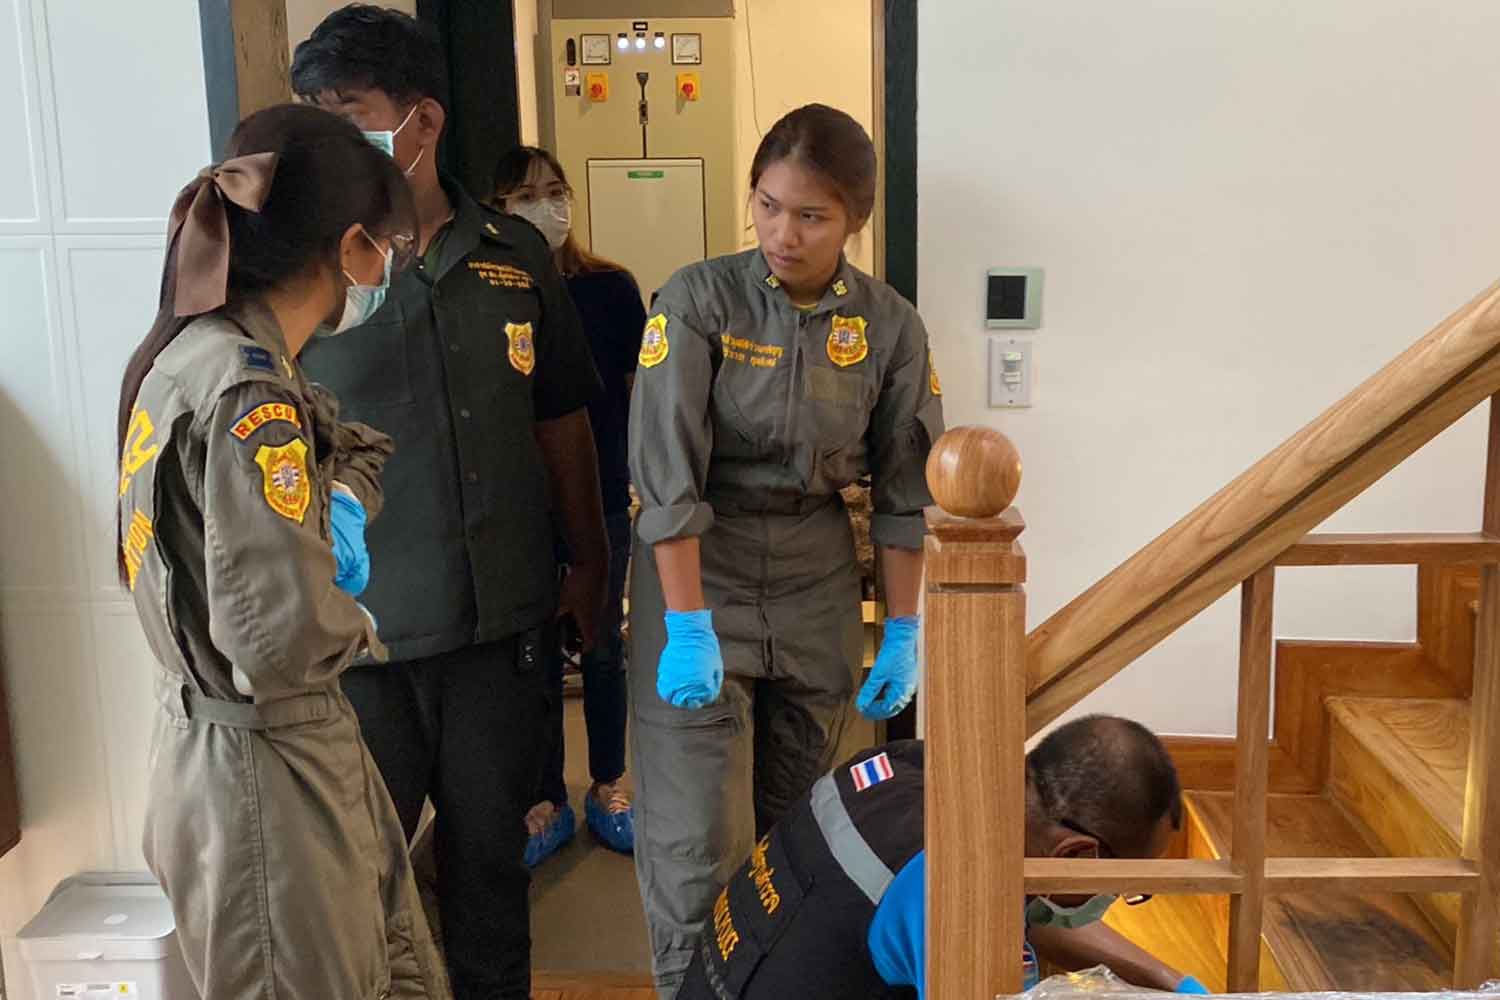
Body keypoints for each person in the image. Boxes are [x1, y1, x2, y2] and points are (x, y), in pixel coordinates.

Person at [291, 8, 608, 999]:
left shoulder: (513, 257)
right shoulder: (303, 270)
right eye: (314, 115)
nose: (328, 138)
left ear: (420, 124)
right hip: (361, 650)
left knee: (489, 880)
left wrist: (592, 562)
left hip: (499, 643)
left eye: (349, 114)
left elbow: (562, 421)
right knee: (359, 893)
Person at [115, 103, 449, 999]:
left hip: (244, 752)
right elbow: (278, 640)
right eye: (388, 250)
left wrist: (333, 502)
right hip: (266, 772)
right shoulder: (246, 393)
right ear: (349, 248)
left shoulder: (200, 357)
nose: (386, 273)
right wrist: (348, 618)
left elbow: (350, 446)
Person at [628, 102, 945, 994]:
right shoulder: (696, 300)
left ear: (855, 221)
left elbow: (906, 492)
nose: (783, 233)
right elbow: (667, 478)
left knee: (799, 827)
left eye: (811, 215)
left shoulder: (889, 326)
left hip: (815, 571)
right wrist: (687, 623)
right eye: (768, 205)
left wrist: (905, 630)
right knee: (693, 832)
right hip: (698, 568)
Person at [677, 716, 1212, 998]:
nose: (1113, 904)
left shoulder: (916, 766)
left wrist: (1172, 982)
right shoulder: (955, 895)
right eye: (1121, 890)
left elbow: (1035, 909)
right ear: (1075, 852)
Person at [491, 145, 646, 864]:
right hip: (520, 506)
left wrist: (643, 479)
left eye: (557, 191)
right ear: (498, 210)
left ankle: (609, 783)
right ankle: (545, 796)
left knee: (604, 647)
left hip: (604, 495)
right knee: (536, 659)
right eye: (528, 195)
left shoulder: (610, 289)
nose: (550, 207)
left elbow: (641, 395)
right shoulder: (489, 294)